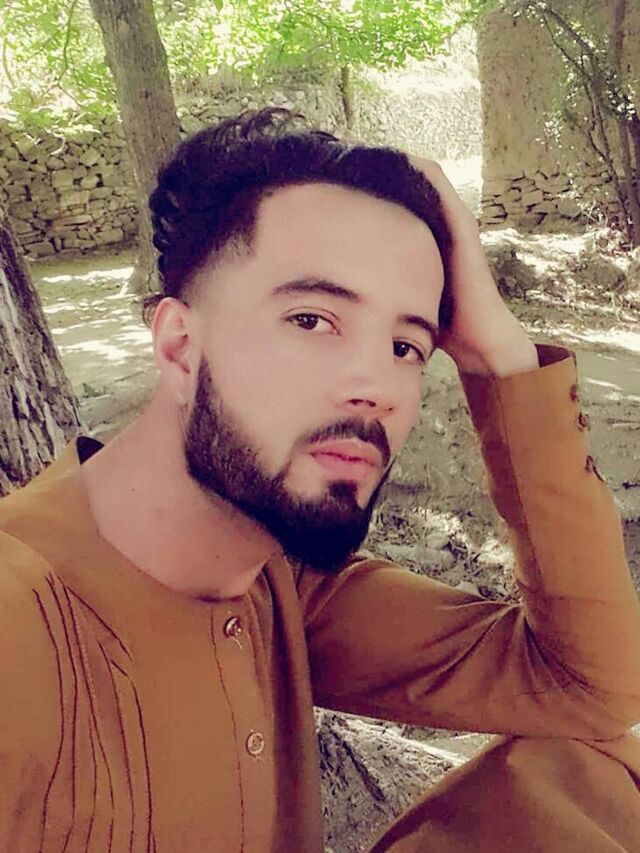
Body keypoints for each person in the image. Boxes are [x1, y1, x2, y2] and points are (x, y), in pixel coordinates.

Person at [1, 107, 640, 853]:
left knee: (591, 775)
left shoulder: (278, 580)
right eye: (311, 320)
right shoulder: (20, 631)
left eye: (406, 345)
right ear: (178, 346)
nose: (377, 387)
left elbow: (588, 686)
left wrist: (501, 363)